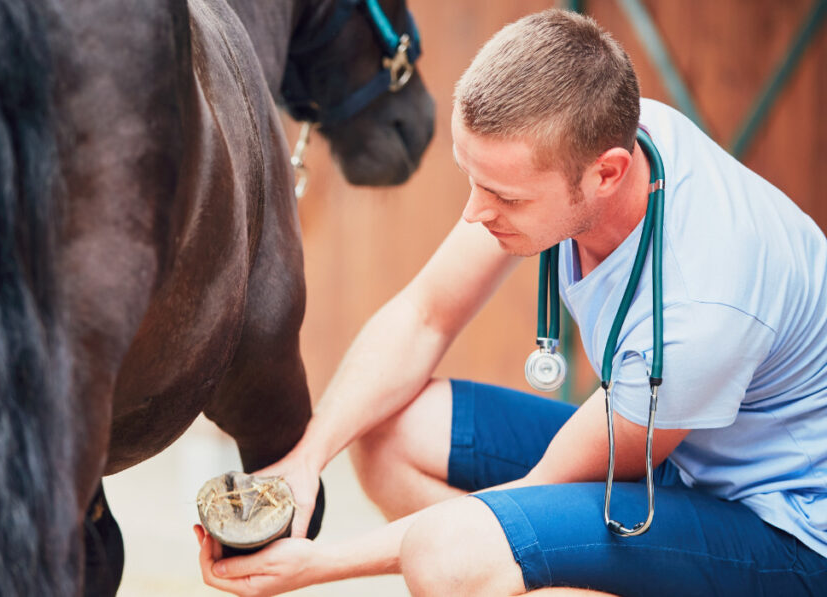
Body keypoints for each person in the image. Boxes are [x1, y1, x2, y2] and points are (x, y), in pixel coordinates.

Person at [194, 8, 827, 596]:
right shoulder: (619, 132)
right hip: (684, 459)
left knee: (454, 554)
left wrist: (317, 566)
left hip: (784, 534)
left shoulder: (701, 311)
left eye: (506, 197)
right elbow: (423, 315)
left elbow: (536, 492)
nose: (475, 212)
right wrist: (306, 462)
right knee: (390, 433)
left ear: (606, 173)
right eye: (472, 178)